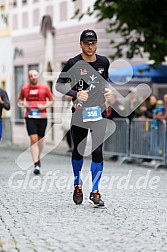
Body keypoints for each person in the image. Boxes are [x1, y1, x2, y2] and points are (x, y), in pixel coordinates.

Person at [56, 29, 112, 207]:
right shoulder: (73, 63)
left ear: (96, 44)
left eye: (93, 42)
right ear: (81, 44)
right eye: (87, 43)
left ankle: (95, 191)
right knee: (78, 151)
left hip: (99, 112)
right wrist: (75, 93)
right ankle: (77, 184)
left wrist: (107, 91)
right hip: (80, 112)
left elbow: (104, 81)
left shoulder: (104, 62)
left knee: (97, 151)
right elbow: (59, 85)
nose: (90, 46)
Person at [18, 70, 55, 175]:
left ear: (38, 76)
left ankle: (38, 157)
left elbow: (52, 100)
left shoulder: (44, 88)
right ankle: (36, 163)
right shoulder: (25, 89)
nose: (33, 77)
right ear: (28, 78)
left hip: (42, 117)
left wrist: (44, 106)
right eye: (30, 76)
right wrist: (24, 104)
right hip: (29, 116)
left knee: (40, 140)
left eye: (34, 75)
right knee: (33, 139)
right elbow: (19, 100)